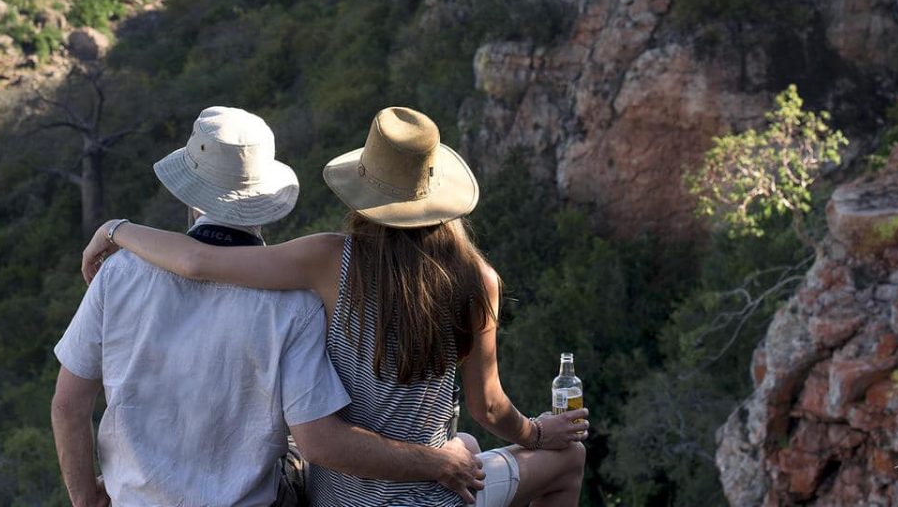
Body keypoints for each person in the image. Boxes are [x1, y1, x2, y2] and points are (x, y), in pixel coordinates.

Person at [83, 106, 589, 507]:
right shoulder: (478, 281)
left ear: (363, 194)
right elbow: (490, 408)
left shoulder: (327, 261)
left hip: (339, 495)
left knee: (469, 451)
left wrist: (115, 231)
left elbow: (197, 261)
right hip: (438, 488)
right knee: (566, 461)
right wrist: (539, 432)